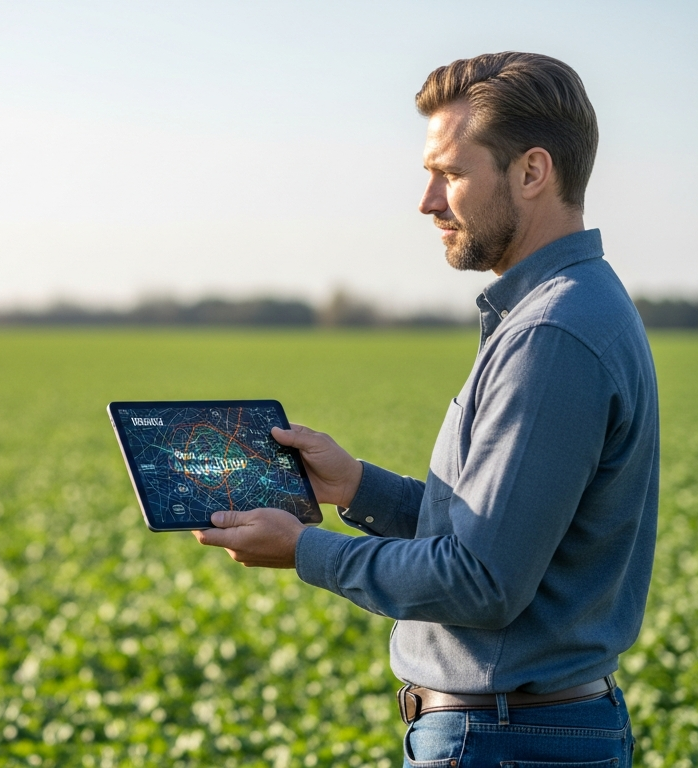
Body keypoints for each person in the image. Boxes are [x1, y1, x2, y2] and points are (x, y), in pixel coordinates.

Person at [193, 52, 657, 767]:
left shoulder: (551, 334)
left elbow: (483, 582)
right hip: (522, 734)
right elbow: (500, 541)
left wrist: (305, 550)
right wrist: (356, 487)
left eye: (451, 173)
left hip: (505, 741)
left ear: (532, 173)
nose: (428, 201)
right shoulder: (570, 308)